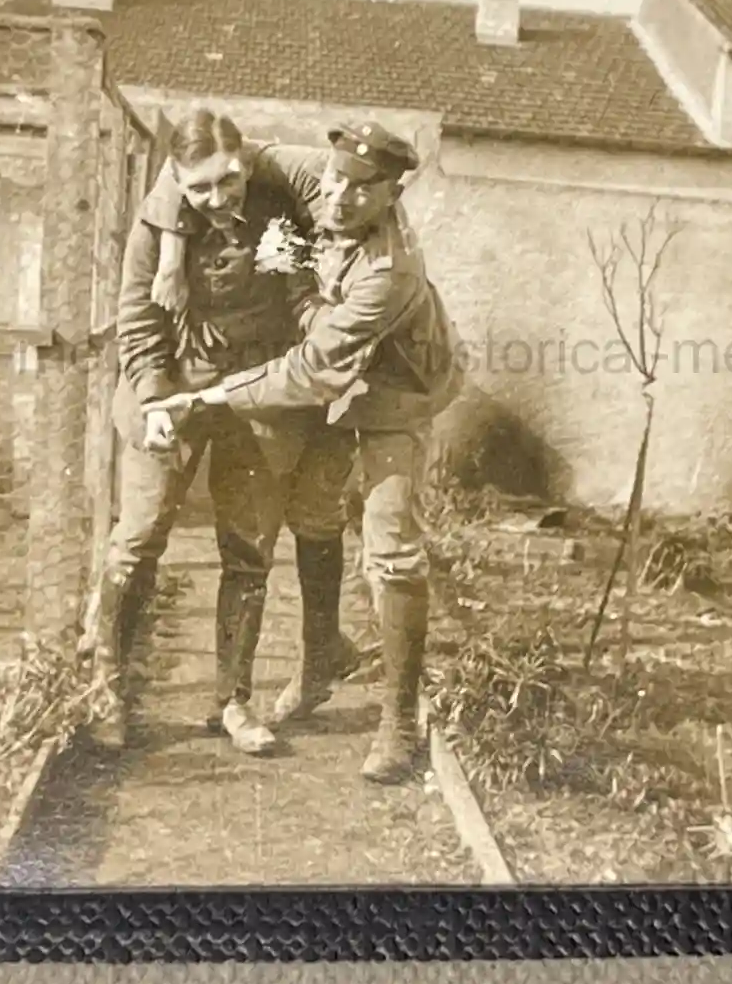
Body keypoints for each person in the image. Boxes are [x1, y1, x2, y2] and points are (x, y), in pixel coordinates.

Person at [146, 123, 464, 784]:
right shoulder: (305, 175)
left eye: (360, 189)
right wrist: (174, 251)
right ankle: (322, 654)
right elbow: (199, 161)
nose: (339, 198)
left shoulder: (391, 270)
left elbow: (314, 369)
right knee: (315, 513)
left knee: (391, 546)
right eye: (335, 179)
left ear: (393, 192)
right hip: (331, 369)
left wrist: (210, 399)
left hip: (394, 390)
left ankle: (398, 720)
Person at [79, 109, 357, 756]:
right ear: (176, 180)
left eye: (226, 180)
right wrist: (152, 396)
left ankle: (232, 700)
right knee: (140, 533)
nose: (216, 197)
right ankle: (107, 689)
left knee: (249, 546)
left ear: (244, 160)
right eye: (198, 187)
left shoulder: (276, 197)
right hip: (171, 387)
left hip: (258, 396)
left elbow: (317, 227)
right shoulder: (159, 226)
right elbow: (139, 318)